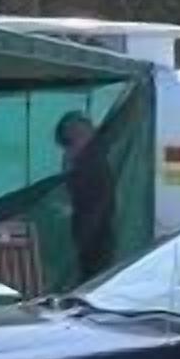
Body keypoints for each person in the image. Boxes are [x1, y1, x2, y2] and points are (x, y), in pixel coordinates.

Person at [56, 110, 116, 277]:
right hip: (91, 234)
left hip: (95, 236)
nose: (68, 150)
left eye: (71, 141)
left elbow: (96, 203)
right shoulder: (94, 158)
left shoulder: (94, 163)